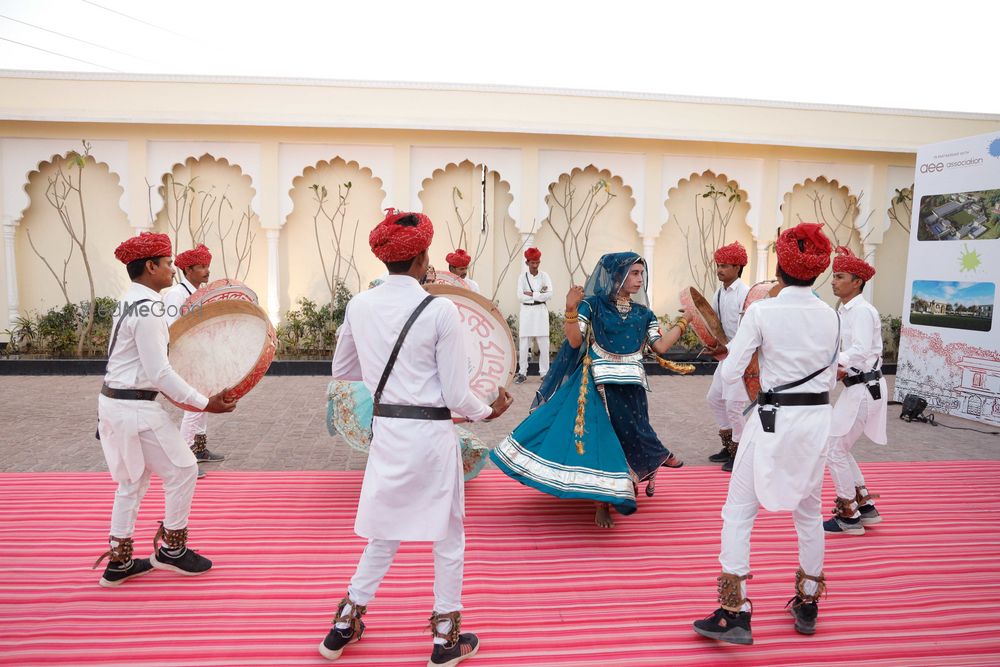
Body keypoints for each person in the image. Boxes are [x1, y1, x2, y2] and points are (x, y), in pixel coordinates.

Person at [319, 209, 513, 666]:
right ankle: (446, 640)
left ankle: (342, 627)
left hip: (387, 431)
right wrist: (488, 412)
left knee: (383, 533)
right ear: (424, 256)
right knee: (448, 536)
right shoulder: (440, 309)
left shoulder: (359, 306)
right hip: (431, 436)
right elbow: (455, 393)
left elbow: (343, 369)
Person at [693, 222, 838, 644]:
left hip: (772, 420)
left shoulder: (762, 311)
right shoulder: (830, 315)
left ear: (779, 266)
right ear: (818, 271)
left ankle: (733, 612)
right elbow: (830, 377)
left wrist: (752, 379)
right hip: (816, 422)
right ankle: (808, 602)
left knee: (738, 513)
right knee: (808, 515)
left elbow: (734, 370)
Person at [492, 251, 687, 529]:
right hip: (596, 385)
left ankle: (637, 473)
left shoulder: (645, 314)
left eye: (641, 273)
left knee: (630, 437)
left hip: (632, 387)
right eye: (633, 273)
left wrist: (684, 323)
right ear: (616, 275)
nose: (639, 279)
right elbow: (574, 341)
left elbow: (661, 347)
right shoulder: (593, 305)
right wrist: (571, 309)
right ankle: (602, 504)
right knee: (601, 442)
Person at [93, 232, 237, 588]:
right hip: (135, 408)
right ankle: (172, 551)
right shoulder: (148, 310)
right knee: (184, 469)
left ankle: (120, 562)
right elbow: (159, 372)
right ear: (150, 266)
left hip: (115, 402)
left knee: (132, 482)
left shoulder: (130, 300)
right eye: (169, 263)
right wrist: (207, 403)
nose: (174, 269)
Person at [824, 247, 886, 535]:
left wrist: (832, 366)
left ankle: (849, 515)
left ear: (857, 281)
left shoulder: (862, 310)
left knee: (834, 449)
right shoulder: (845, 309)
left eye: (840, 276)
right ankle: (865, 506)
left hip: (864, 389)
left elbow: (860, 350)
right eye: (833, 276)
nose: (833, 281)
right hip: (859, 386)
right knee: (839, 447)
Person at [162, 244, 225, 478]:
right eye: (201, 267)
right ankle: (184, 458)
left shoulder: (198, 293)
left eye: (208, 266)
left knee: (204, 400)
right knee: (196, 404)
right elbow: (171, 329)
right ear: (188, 270)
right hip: (187, 356)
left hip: (201, 354)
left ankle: (199, 448)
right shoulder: (176, 295)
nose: (207, 271)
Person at [703, 241, 751, 472]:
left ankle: (740, 450)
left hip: (741, 356)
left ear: (738, 267)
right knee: (714, 398)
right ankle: (729, 445)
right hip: (726, 355)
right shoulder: (720, 292)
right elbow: (711, 319)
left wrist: (729, 349)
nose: (720, 269)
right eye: (718, 265)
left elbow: (748, 330)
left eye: (725, 266)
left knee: (734, 404)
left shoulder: (746, 293)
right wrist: (693, 316)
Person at [514, 247, 553, 384]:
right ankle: (522, 372)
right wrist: (539, 295)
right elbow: (520, 296)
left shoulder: (545, 276)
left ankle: (545, 373)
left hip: (541, 312)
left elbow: (549, 294)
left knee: (544, 343)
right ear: (527, 263)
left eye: (537, 262)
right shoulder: (522, 278)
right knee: (524, 344)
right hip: (527, 312)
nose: (535, 265)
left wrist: (532, 294)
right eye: (532, 263)